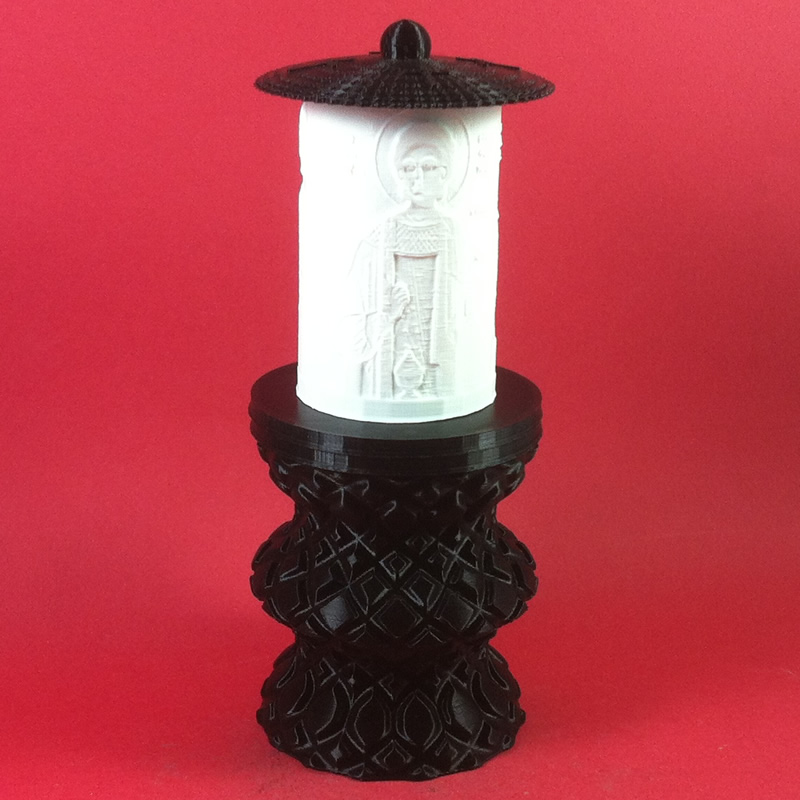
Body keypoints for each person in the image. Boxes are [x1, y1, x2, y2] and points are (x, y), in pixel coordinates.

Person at [349, 120, 464, 401]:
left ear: (445, 174)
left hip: (435, 350)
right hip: (394, 343)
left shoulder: (451, 232)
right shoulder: (382, 234)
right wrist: (387, 313)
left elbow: (465, 301)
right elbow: (355, 299)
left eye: (428, 167)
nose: (417, 178)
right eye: (408, 169)